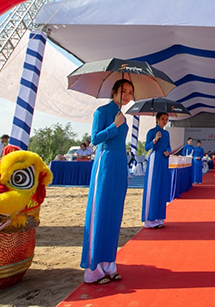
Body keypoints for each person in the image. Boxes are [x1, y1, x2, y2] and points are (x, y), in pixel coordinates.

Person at [81, 79, 134, 285]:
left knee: (114, 213)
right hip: (105, 163)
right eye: (124, 91)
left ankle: (109, 264)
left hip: (119, 164)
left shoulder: (122, 115)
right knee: (100, 212)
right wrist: (114, 126)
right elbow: (95, 139)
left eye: (130, 92)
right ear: (114, 91)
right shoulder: (102, 112)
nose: (127, 96)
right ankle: (93, 268)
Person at [142, 112, 171, 228]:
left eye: (166, 119)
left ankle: (159, 218)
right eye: (163, 119)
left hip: (164, 160)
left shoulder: (167, 133)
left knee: (162, 187)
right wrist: (155, 140)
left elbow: (169, 146)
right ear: (157, 119)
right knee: (153, 186)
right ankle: (150, 219)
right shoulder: (151, 132)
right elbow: (146, 147)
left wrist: (168, 151)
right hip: (155, 160)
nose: (165, 121)